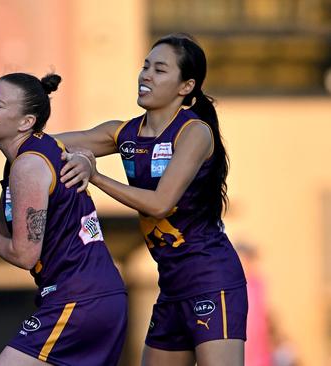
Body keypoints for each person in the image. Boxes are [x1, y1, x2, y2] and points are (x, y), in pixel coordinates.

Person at [57, 33, 247, 366]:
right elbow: (50, 146)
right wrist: (6, 129)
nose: (145, 75)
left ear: (185, 87)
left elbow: (160, 204)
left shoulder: (194, 132)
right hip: (171, 288)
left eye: (160, 70)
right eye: (145, 66)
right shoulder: (125, 133)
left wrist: (96, 175)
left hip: (212, 281)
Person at [0, 73, 128, 366]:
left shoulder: (27, 164)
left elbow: (26, 254)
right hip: (97, 295)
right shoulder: (29, 154)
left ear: (26, 122)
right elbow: (24, 231)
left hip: (78, 298)